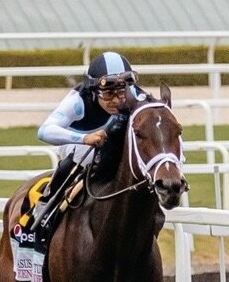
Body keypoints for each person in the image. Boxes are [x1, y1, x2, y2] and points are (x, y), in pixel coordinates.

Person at [25, 52, 144, 254]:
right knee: (86, 155)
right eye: (108, 94)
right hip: (81, 146)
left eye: (121, 92)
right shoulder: (78, 101)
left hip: (116, 144)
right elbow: (44, 131)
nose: (116, 100)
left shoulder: (136, 95)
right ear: (94, 90)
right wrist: (84, 138)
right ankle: (45, 209)